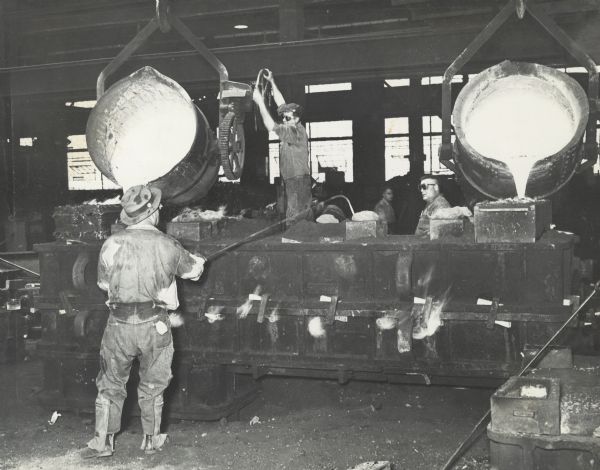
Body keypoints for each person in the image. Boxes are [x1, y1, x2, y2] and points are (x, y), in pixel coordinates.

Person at [82, 185, 206, 459]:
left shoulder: (111, 243)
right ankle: (151, 440)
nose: (160, 209)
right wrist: (198, 263)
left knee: (111, 383)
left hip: (118, 326)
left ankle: (103, 442)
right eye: (158, 207)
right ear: (151, 212)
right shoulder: (167, 244)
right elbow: (194, 272)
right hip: (155, 326)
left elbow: (103, 283)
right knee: (153, 383)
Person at [252, 69, 312, 226]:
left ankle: (296, 242)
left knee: (295, 217)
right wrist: (272, 82)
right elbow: (281, 103)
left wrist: (260, 103)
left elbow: (270, 125)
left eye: (287, 117)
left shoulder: (294, 131)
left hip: (297, 180)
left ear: (296, 118)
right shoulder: (293, 123)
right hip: (295, 179)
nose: (284, 119)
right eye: (283, 116)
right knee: (300, 214)